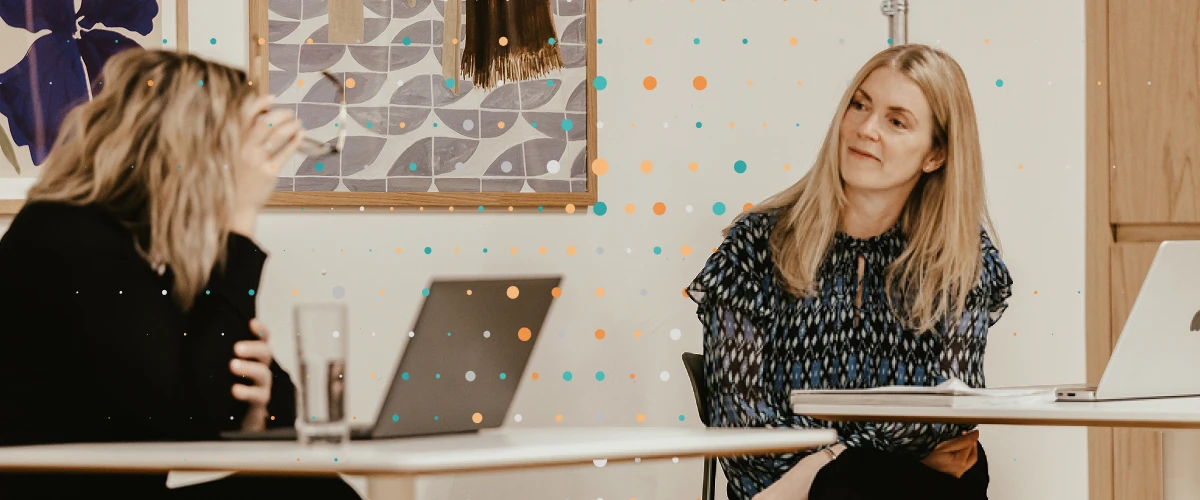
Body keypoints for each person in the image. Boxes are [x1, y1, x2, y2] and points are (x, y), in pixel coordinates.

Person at [0, 49, 359, 499]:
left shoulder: (140, 248)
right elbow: (194, 415)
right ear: (187, 151)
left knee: (315, 491)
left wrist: (261, 404)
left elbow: (243, 404)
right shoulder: (65, 239)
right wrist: (241, 217)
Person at [686, 43, 1013, 500]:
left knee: (860, 482)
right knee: (848, 485)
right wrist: (840, 464)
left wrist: (832, 456)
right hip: (784, 490)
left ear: (935, 154)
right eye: (859, 105)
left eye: (896, 121)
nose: (865, 129)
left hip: (910, 488)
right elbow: (741, 429)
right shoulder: (756, 247)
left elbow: (947, 415)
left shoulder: (961, 257)